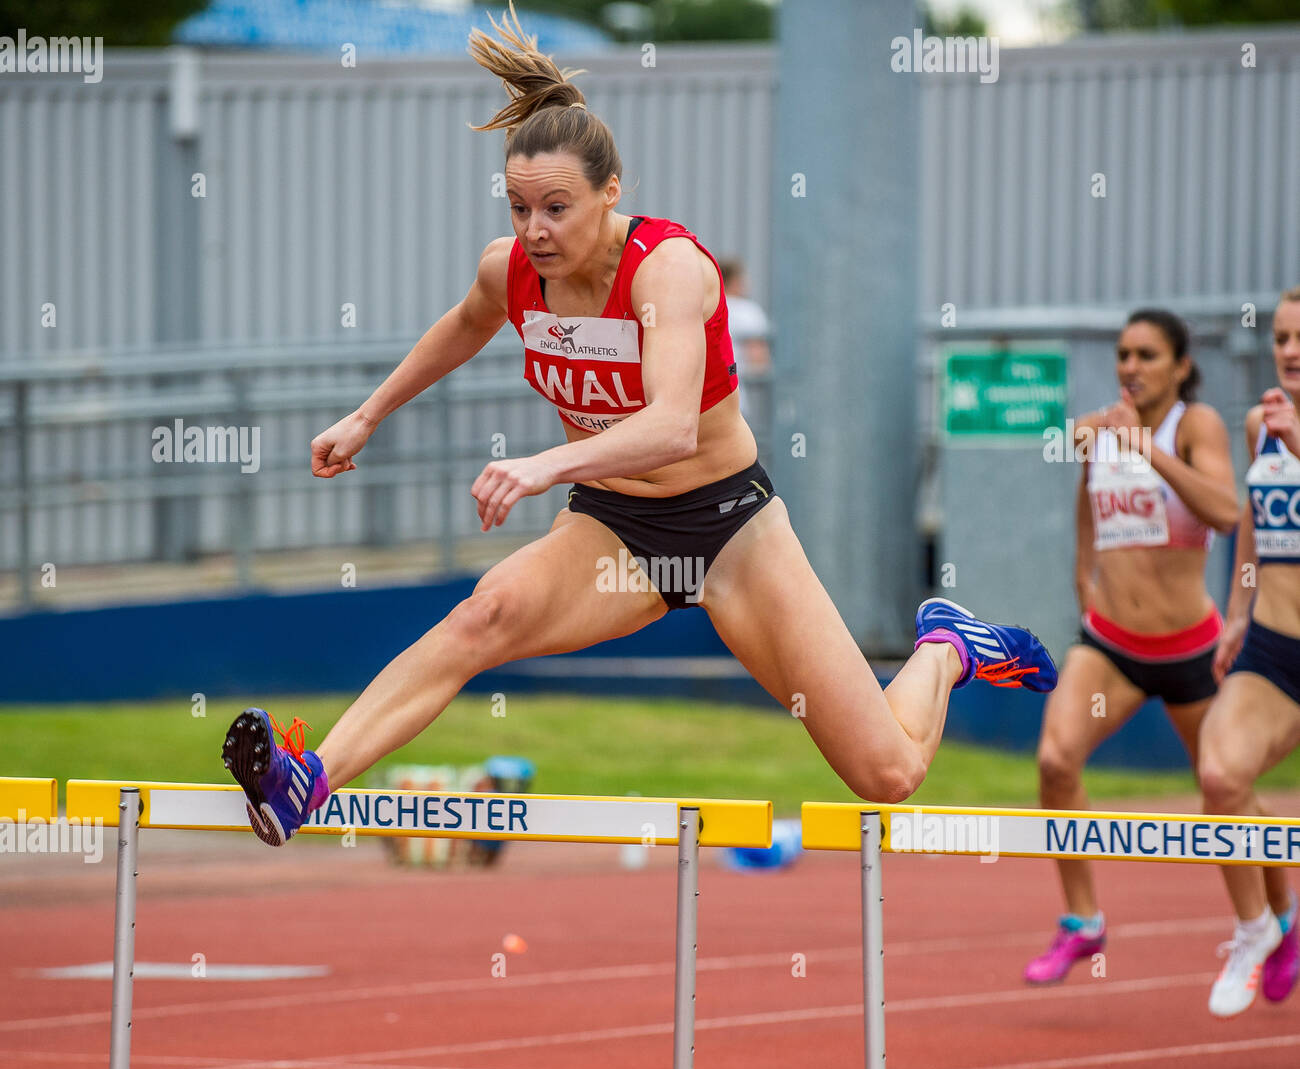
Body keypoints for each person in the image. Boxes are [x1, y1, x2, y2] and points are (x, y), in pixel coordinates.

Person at [219, 3, 1058, 848]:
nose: (535, 231)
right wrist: (368, 415)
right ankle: (306, 781)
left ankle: (946, 646)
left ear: (610, 192)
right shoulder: (511, 270)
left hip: (730, 527)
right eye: (518, 208)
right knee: (482, 616)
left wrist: (544, 465)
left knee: (886, 774)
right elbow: (466, 323)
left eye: (556, 208)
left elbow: (671, 429)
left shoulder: (669, 270)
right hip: (614, 526)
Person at [1026, 310, 1240, 985]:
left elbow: (1225, 510)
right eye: (1123, 354)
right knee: (1056, 761)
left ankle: (1274, 919)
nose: (1131, 366)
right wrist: (1084, 580)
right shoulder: (1099, 430)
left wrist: (1147, 449)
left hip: (1189, 649)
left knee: (1226, 789)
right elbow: (1087, 510)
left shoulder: (1194, 425)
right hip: (1111, 644)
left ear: (1180, 365)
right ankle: (1082, 920)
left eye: (1147, 354)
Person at [1196, 287, 1300, 1017]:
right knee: (1221, 774)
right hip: (1274, 646)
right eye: (1282, 336)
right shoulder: (1261, 425)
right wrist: (1237, 613)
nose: (1290, 350)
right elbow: (1252, 528)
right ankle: (1261, 922)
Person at [717, 257, 770, 420]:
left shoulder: (707, 306)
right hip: (734, 395)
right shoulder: (748, 311)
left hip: (703, 399)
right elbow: (758, 359)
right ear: (735, 281)